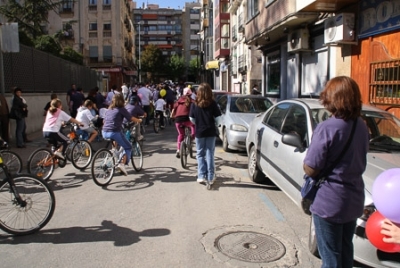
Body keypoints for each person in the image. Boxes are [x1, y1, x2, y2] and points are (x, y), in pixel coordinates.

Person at [303, 76, 369, 268]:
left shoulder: (327, 127)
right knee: (346, 251)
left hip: (330, 201)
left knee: (330, 257)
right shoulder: (362, 126)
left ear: (332, 98)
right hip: (354, 197)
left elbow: (311, 167)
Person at [102, 94, 142, 176]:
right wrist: (139, 120)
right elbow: (130, 118)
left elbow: (104, 121)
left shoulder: (109, 109)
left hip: (104, 132)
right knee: (128, 146)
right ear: (122, 101)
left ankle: (108, 161)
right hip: (114, 132)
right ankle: (122, 164)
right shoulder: (121, 109)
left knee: (114, 148)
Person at [189, 83, 221, 185]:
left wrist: (198, 123)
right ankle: (210, 177)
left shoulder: (194, 104)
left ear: (198, 92)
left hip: (199, 131)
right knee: (209, 153)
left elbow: (191, 118)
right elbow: (218, 119)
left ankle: (201, 176)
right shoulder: (213, 103)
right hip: (210, 131)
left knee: (200, 154)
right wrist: (215, 123)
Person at [173, 87, 195, 158]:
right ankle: (191, 138)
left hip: (178, 120)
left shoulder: (178, 101)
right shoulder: (192, 101)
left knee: (181, 135)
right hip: (187, 120)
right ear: (191, 94)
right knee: (193, 126)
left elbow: (174, 109)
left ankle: (178, 150)